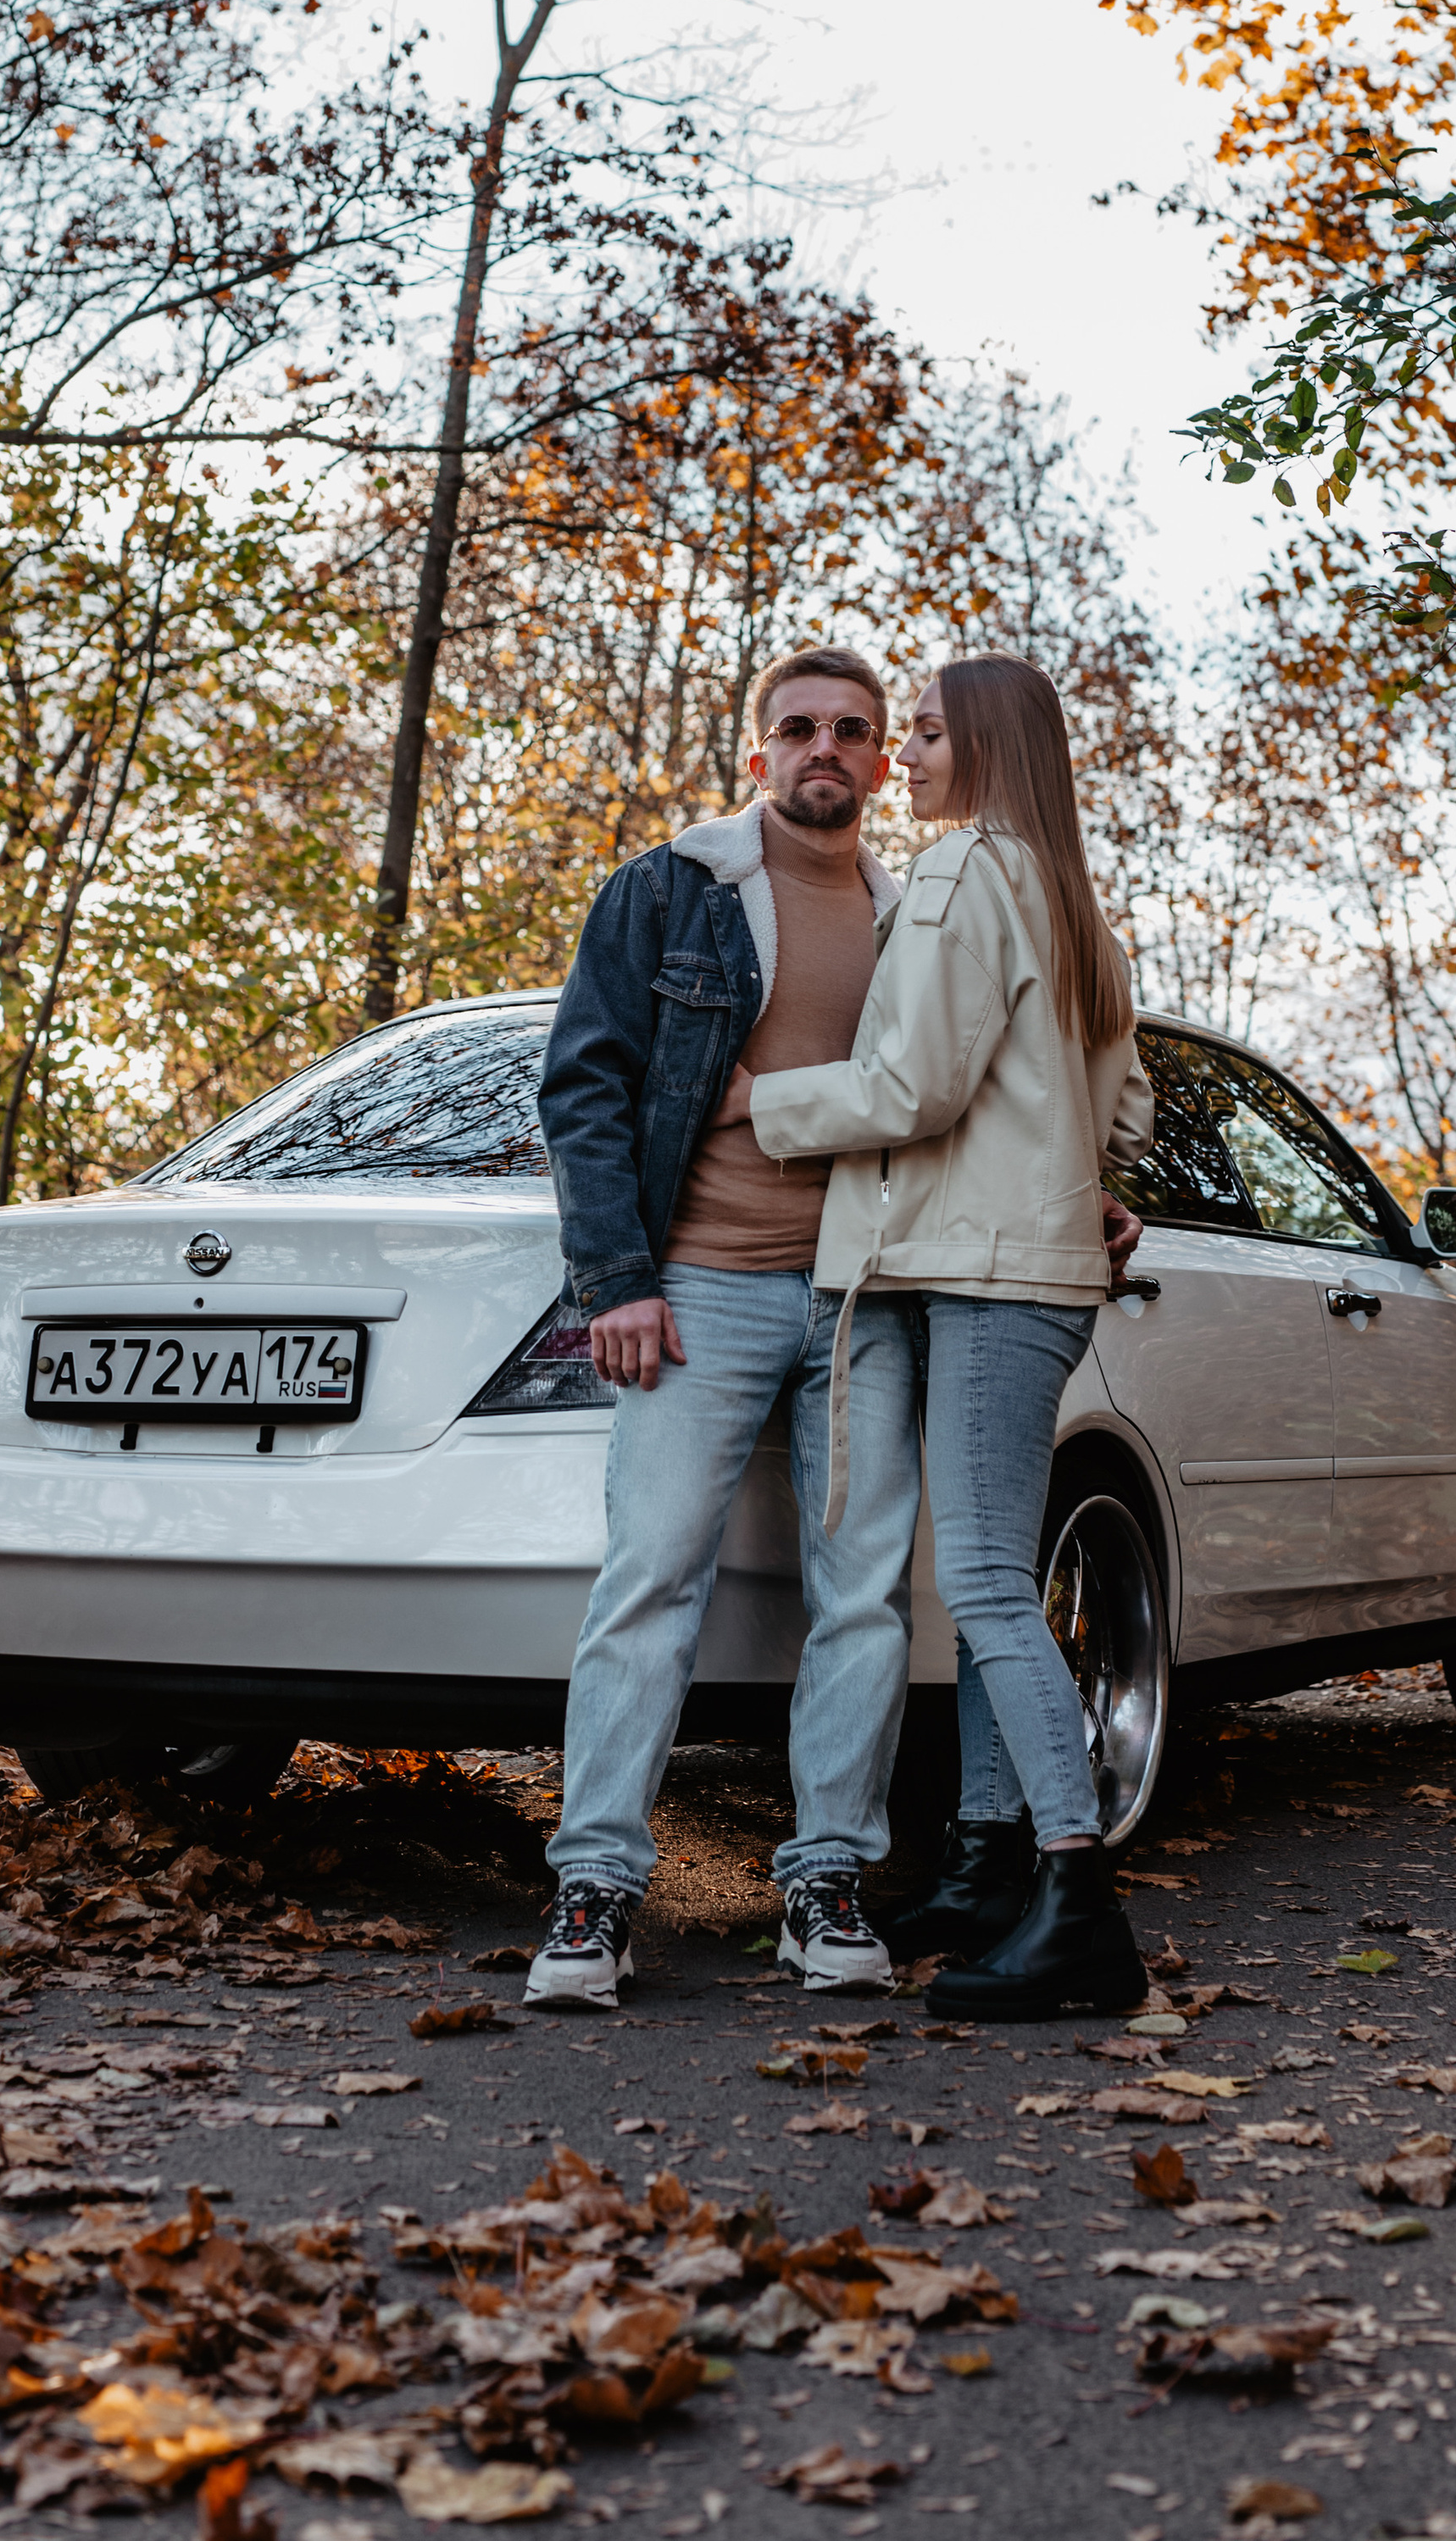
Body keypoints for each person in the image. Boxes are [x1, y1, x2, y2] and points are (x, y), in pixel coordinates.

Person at [711, 652, 1156, 2021]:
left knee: (983, 1583)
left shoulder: (963, 870)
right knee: (988, 1581)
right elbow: (1128, 1104)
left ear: (989, 748)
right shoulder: (1071, 897)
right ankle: (982, 1865)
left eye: (922, 733)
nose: (901, 755)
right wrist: (1091, 1180)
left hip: (986, 1273)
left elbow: (915, 1085)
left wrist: (759, 1102)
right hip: (1026, 1269)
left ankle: (1078, 1899)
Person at [525, 647, 925, 2008]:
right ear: (761, 754)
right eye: (799, 727)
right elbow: (585, 1086)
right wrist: (618, 1279)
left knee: (862, 1595)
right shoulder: (670, 890)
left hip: (866, 1298)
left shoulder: (914, 917)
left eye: (852, 730)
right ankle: (595, 1889)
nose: (826, 747)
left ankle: (827, 1879)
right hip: (698, 1290)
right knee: (650, 1584)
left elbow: (969, 1090)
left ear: (882, 761)